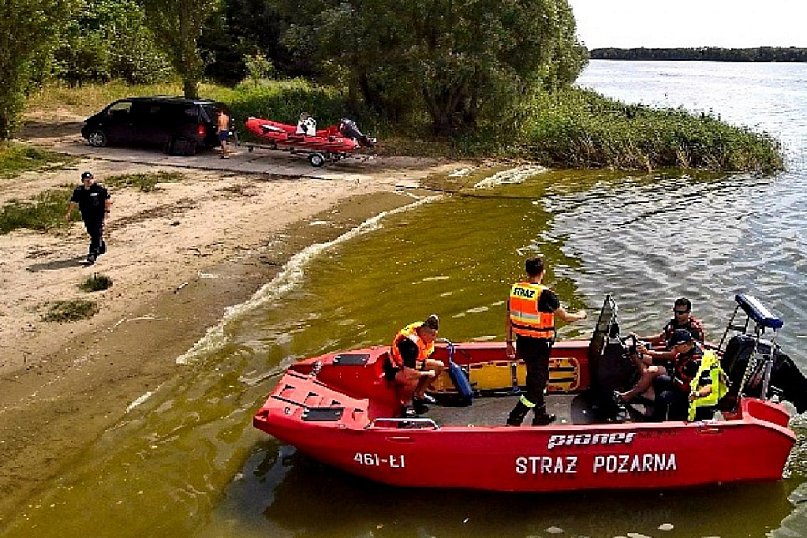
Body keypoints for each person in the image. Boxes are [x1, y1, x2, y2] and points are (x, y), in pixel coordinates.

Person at [505, 257, 587, 426]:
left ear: (527, 272)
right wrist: (581, 315)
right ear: (543, 272)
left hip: (523, 342)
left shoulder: (516, 290)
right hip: (539, 346)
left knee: (534, 379)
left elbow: (508, 318)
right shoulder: (545, 294)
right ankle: (515, 418)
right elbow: (565, 317)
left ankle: (540, 415)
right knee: (536, 387)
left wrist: (508, 341)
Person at [616, 297, 705, 404]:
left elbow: (674, 355)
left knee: (652, 371)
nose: (677, 315)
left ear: (688, 312)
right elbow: (661, 337)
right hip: (667, 357)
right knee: (633, 352)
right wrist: (641, 338)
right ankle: (647, 385)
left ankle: (629, 395)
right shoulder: (673, 324)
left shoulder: (692, 331)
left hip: (676, 363)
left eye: (681, 313)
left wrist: (648, 352)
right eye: (675, 311)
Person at [385, 314, 445, 416]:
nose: (435, 339)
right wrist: (427, 373)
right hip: (396, 369)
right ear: (425, 335)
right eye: (433, 336)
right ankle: (406, 403)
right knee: (413, 380)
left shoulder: (421, 328)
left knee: (439, 366)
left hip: (415, 363)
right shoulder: (410, 346)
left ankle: (420, 394)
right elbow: (409, 374)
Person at [651, 329, 703, 421]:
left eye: (675, 347)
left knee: (664, 397)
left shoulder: (693, 362)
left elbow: (686, 387)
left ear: (684, 345)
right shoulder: (685, 352)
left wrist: (675, 379)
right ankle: (657, 409)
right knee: (660, 380)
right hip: (679, 383)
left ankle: (662, 421)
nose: (674, 349)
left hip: (689, 394)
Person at [65, 171, 111, 265]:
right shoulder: (79, 191)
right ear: (83, 181)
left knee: (96, 233)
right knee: (91, 232)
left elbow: (107, 200)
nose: (89, 181)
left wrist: (107, 211)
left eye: (90, 179)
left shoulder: (99, 189)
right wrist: (68, 213)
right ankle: (101, 246)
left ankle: (92, 255)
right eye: (86, 180)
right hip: (86, 215)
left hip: (98, 215)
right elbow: (73, 202)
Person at [688, 347, 728, 421]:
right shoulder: (687, 356)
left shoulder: (704, 364)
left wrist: (697, 394)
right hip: (697, 402)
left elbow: (709, 387)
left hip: (704, 406)